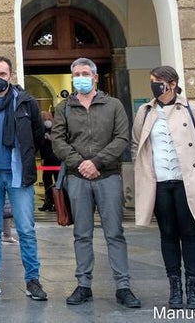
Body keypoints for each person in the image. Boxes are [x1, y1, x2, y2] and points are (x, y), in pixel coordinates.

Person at [50, 57, 141, 308]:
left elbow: (122, 138)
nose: (80, 77)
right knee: (82, 234)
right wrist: (80, 162)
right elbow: (57, 140)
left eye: (84, 73)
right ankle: (83, 284)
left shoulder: (113, 105)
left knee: (115, 233)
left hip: (108, 176)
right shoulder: (64, 107)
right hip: (77, 178)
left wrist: (97, 162)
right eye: (76, 73)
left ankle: (123, 286)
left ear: (95, 77)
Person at [131, 66, 195, 308]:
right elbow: (137, 143)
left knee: (190, 234)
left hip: (186, 181)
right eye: (152, 82)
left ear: (172, 83)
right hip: (158, 183)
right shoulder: (145, 111)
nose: (154, 85)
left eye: (158, 81)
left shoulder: (191, 108)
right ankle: (175, 288)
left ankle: (193, 287)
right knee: (167, 235)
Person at [0, 55, 51, 302]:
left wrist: (24, 158)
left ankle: (33, 281)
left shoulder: (26, 102)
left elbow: (37, 135)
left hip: (18, 175)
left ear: (11, 76)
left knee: (26, 230)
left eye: (2, 74)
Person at [38, 110, 61, 212]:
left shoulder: (56, 129)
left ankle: (58, 203)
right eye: (44, 119)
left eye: (48, 119)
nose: (47, 121)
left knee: (58, 182)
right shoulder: (40, 130)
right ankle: (48, 202)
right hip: (47, 159)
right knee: (47, 181)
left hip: (57, 159)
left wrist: (51, 138)